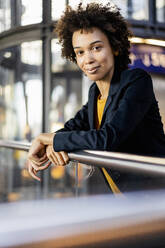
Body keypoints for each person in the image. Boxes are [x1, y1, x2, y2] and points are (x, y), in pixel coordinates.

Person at [27, 2, 165, 193]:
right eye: (80, 52)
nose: (88, 59)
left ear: (115, 48)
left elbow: (107, 138)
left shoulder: (136, 81)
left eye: (96, 48)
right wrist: (52, 141)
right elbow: (74, 126)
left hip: (155, 196)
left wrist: (47, 138)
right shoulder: (95, 92)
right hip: (125, 197)